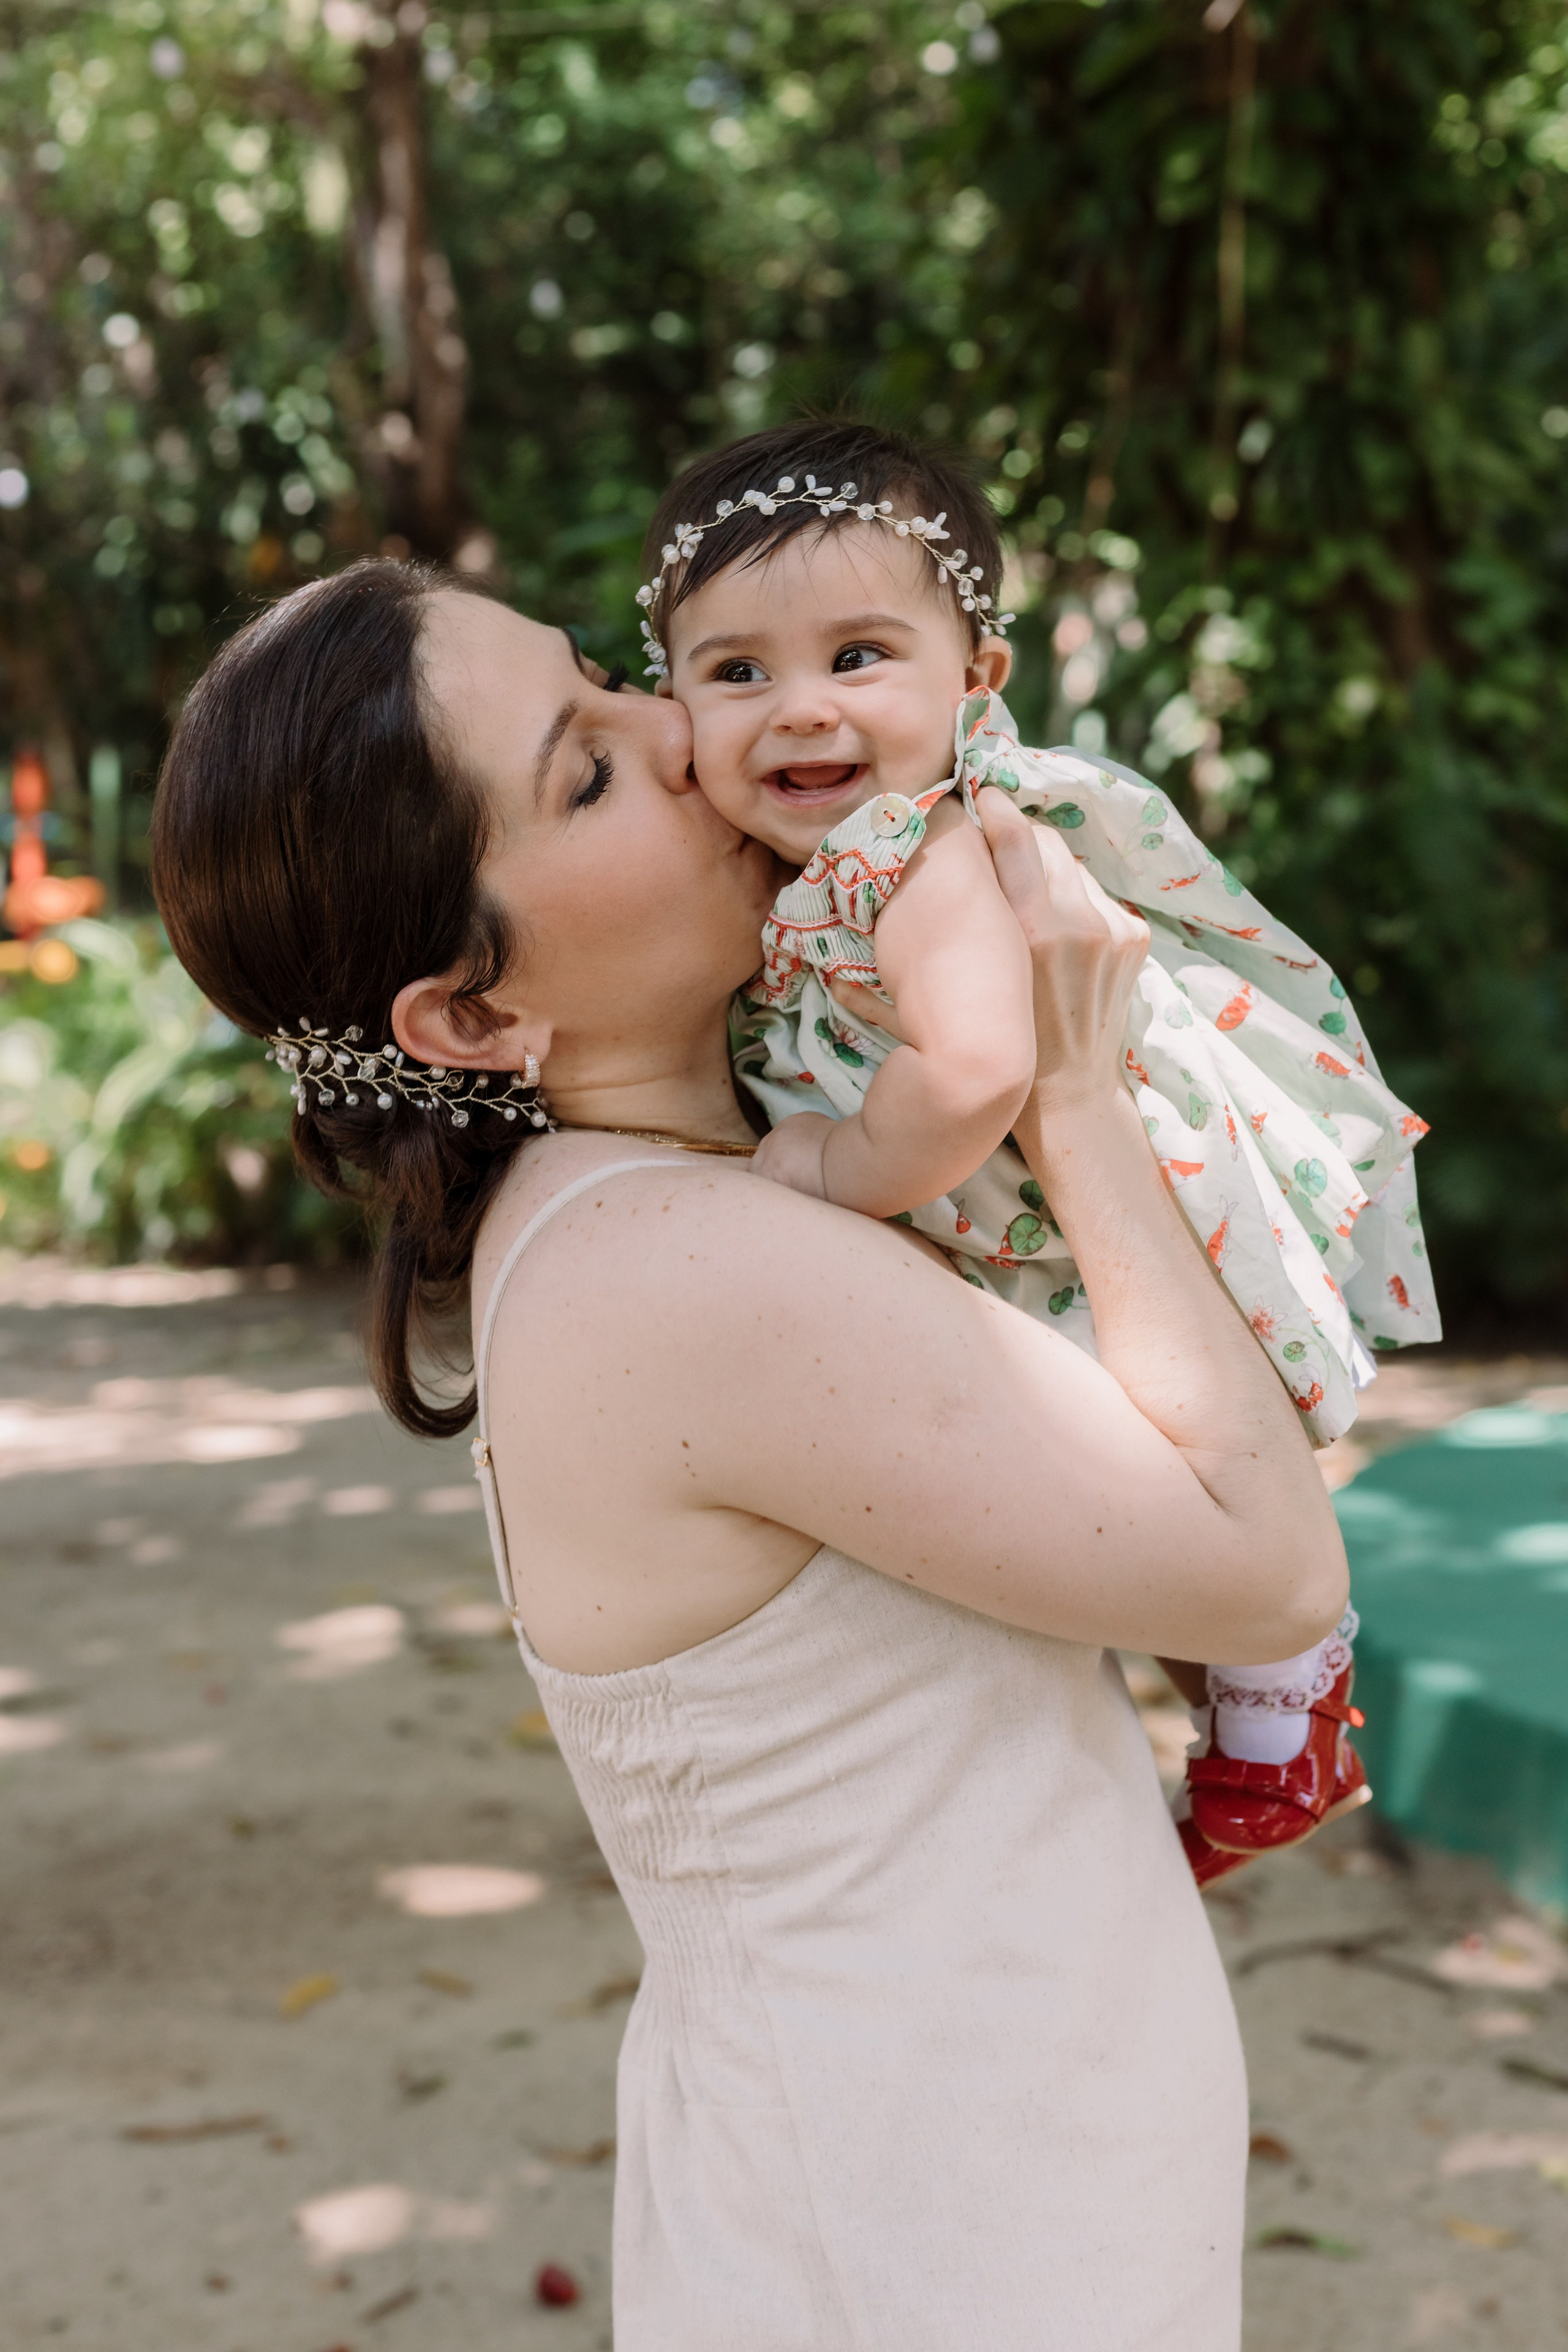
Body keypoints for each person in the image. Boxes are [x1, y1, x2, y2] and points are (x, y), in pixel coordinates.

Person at [151, 555, 1349, 2351]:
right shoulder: (677, 1269)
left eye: (609, 679)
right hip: (938, 2235)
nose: (683, 732)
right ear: (474, 1019)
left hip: (942, 2176)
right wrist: (1076, 1086)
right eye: (586, 770)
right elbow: (1266, 1568)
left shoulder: (678, 1208)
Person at [637, 419, 1438, 1879]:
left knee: (1146, 1444)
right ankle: (1269, 1715)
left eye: (856, 657)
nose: (798, 710)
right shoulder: (833, 856)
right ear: (670, 697)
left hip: (1049, 1192)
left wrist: (825, 1170)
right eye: (735, 671)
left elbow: (983, 1067)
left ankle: (1283, 1695)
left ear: (976, 681)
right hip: (1006, 1204)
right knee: (1114, 1467)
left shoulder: (922, 850)